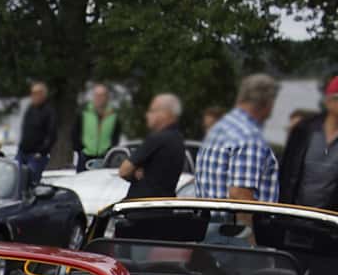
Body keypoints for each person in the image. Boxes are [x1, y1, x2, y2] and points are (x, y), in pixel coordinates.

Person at [194, 74, 279, 202]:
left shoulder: (219, 128)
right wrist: (246, 223)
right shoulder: (249, 137)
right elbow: (240, 195)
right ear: (267, 103)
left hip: (208, 219)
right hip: (234, 221)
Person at [281, 76, 338, 211]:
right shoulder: (304, 130)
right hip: (292, 218)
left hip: (330, 224)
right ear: (328, 100)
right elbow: (286, 173)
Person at [119, 94, 187, 200]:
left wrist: (134, 171)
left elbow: (123, 171)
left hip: (141, 209)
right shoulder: (178, 139)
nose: (147, 115)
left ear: (165, 114)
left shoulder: (157, 139)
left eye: (151, 111)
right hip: (165, 205)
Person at [18, 81, 56, 177]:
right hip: (23, 151)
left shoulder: (49, 111)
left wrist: (42, 152)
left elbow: (52, 134)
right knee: (18, 179)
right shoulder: (30, 109)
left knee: (31, 179)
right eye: (32, 93)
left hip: (36, 155)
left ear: (43, 94)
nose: (33, 96)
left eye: (36, 93)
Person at [79, 83, 119, 170]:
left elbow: (116, 135)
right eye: (97, 95)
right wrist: (80, 148)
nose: (99, 98)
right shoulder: (84, 113)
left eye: (102, 95)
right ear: (93, 96)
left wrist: (110, 149)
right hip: (85, 155)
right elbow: (75, 132)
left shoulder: (113, 115)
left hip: (105, 156)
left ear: (107, 97)